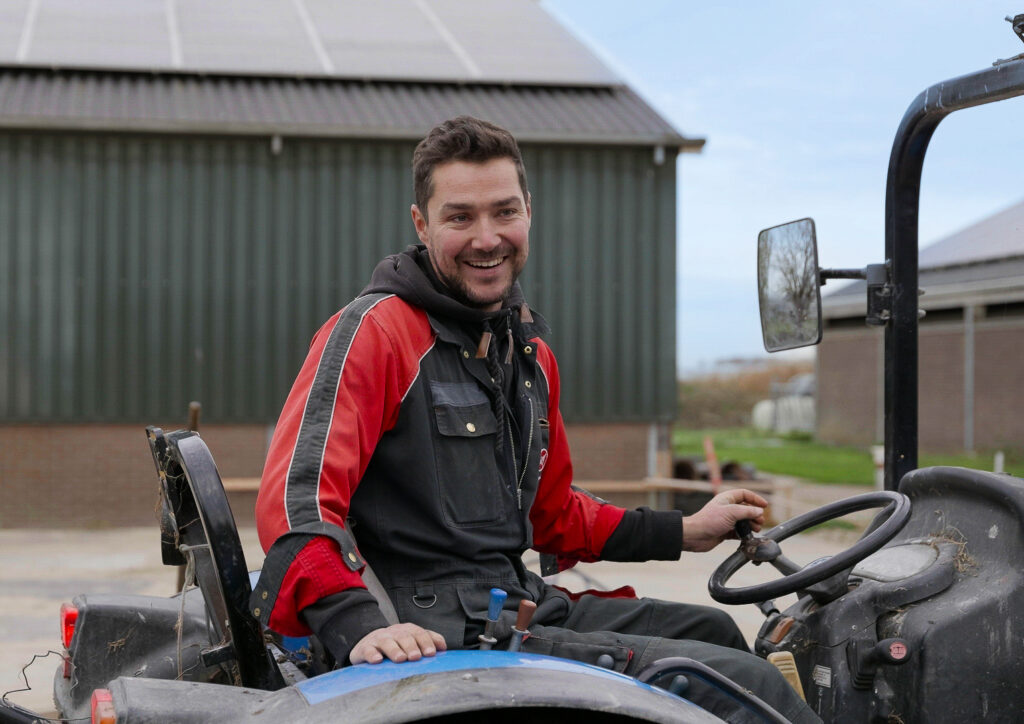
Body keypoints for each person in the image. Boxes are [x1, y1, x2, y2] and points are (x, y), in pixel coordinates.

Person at [252, 116, 818, 723]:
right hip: (431, 629)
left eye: (504, 212)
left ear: (529, 211)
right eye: (460, 217)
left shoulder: (527, 354)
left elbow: (552, 515)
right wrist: (352, 621)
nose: (487, 237)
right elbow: (295, 501)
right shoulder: (377, 333)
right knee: (732, 681)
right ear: (422, 224)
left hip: (512, 599)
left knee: (713, 632)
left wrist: (685, 531)